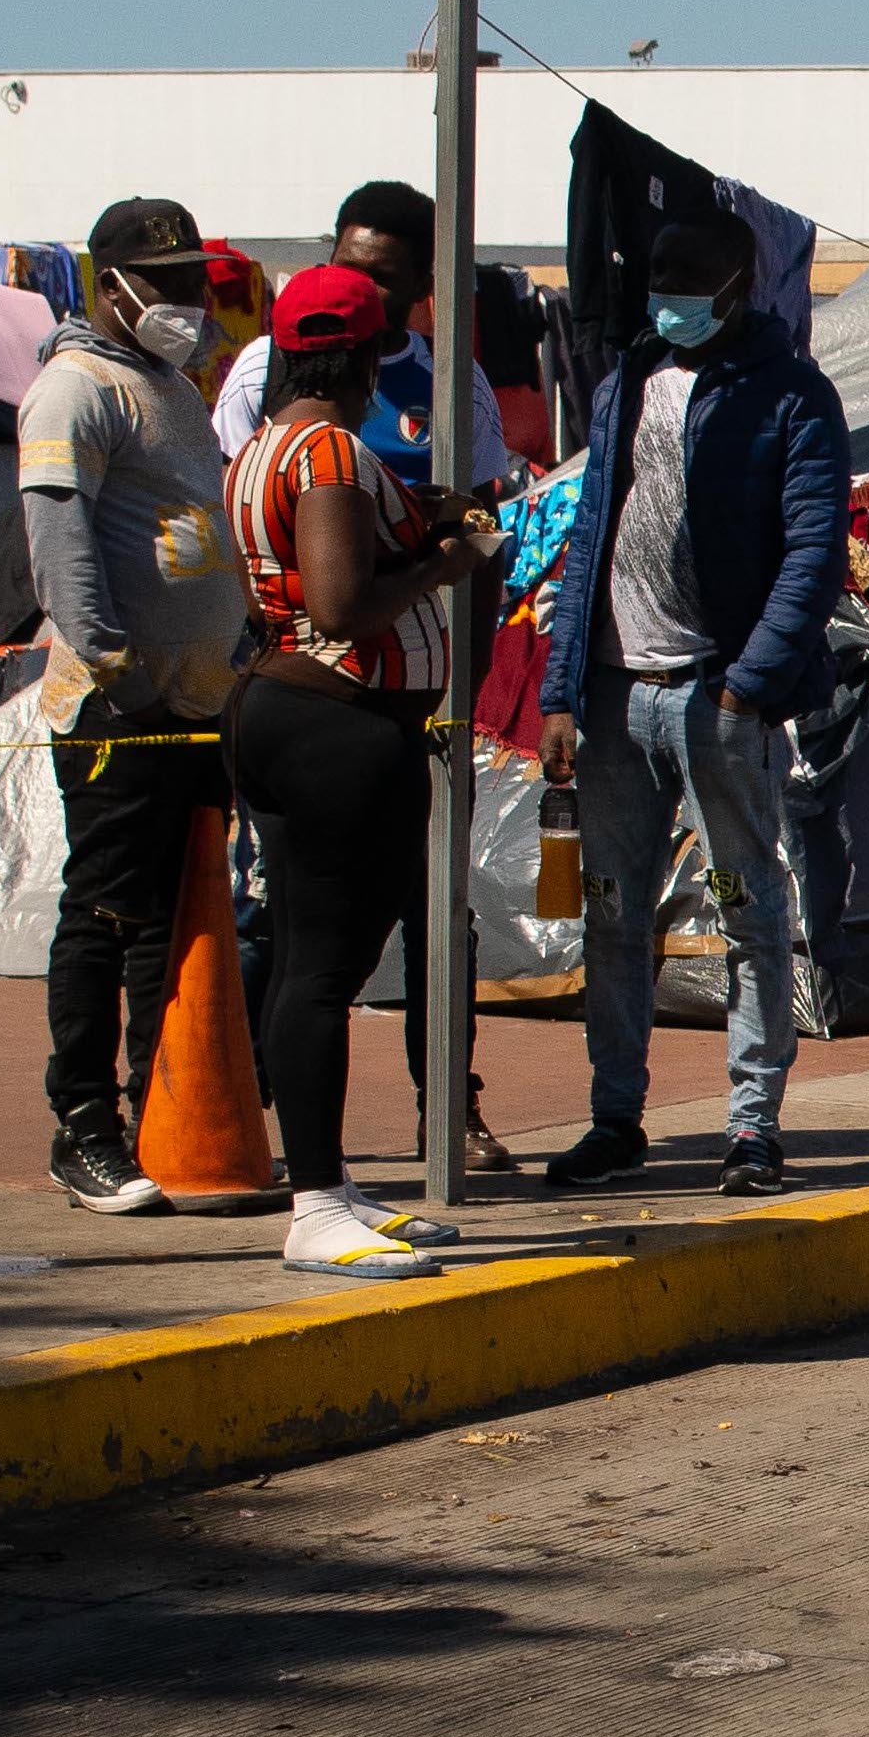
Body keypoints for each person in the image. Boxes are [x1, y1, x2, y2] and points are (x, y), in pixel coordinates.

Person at [534, 211, 851, 1196]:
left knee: (743, 907)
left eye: (686, 278)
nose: (666, 292)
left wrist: (748, 683)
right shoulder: (626, 376)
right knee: (610, 907)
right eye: (656, 274)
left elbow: (814, 549)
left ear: (736, 283)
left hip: (716, 703)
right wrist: (561, 684)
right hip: (616, 700)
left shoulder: (790, 394)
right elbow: (594, 527)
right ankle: (614, 1115)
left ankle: (752, 1127)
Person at [220, 266, 502, 1276]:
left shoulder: (262, 448)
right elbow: (340, 606)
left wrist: (417, 523)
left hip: (286, 712)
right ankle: (313, 1202)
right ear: (366, 357)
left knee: (307, 956)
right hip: (340, 723)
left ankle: (328, 1182)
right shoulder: (332, 447)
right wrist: (447, 561)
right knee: (324, 971)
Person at [20, 198, 246, 1213]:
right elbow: (62, 549)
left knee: (172, 922)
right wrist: (116, 666)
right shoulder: (74, 389)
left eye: (198, 282)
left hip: (194, 706)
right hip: (121, 710)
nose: (191, 303)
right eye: (169, 284)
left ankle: (163, 1112)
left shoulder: (170, 385)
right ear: (111, 285)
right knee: (105, 915)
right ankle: (83, 1127)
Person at [209, 181, 512, 487]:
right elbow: (225, 494)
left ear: (422, 287)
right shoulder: (264, 365)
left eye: (381, 278)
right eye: (348, 270)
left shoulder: (457, 382)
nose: (357, 289)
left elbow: (479, 514)